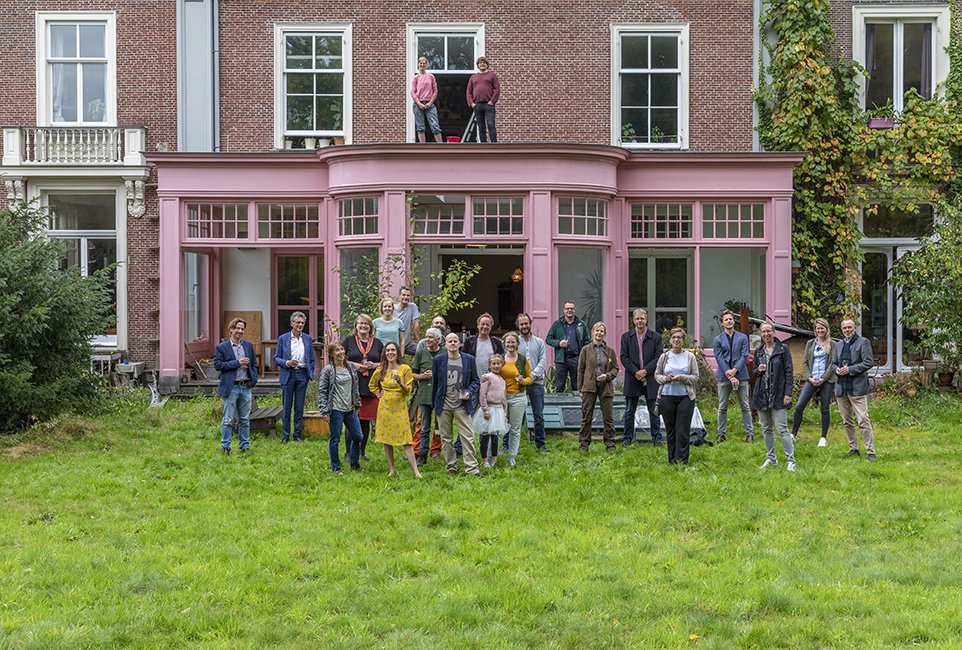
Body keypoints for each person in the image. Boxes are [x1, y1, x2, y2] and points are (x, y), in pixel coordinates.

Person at [432, 332, 482, 476]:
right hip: (444, 405)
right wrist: (435, 404)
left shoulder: (469, 359)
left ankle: (472, 469)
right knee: (446, 438)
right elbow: (435, 384)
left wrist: (469, 392)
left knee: (468, 437)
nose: (453, 343)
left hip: (462, 405)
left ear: (459, 344)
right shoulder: (439, 360)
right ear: (446, 344)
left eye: (455, 341)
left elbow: (476, 381)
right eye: (450, 341)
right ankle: (451, 466)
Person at [369, 342, 422, 478]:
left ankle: (416, 471)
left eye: (393, 350)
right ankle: (391, 469)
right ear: (385, 353)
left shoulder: (405, 369)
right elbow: (372, 385)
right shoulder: (381, 369)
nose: (390, 353)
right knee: (387, 439)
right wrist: (378, 394)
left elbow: (408, 391)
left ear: (398, 352)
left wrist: (400, 383)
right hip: (385, 407)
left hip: (400, 407)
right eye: (388, 350)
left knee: (406, 439)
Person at [752, 322, 797, 471]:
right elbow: (754, 372)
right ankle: (771, 458)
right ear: (761, 334)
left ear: (774, 332)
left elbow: (789, 372)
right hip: (762, 395)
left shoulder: (783, 349)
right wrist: (758, 370)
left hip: (778, 394)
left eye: (768, 331)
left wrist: (788, 393)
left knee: (782, 429)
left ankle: (791, 461)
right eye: (763, 332)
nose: (766, 334)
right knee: (766, 429)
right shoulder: (759, 351)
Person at [831, 318, 877, 461]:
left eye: (849, 327)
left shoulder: (863, 342)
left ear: (854, 328)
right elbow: (833, 363)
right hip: (841, 387)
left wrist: (850, 369)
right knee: (847, 421)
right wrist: (836, 370)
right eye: (844, 328)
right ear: (842, 329)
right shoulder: (838, 345)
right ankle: (853, 448)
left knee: (863, 420)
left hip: (857, 387)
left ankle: (870, 451)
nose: (847, 330)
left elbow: (868, 362)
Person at [214, 317, 259, 455]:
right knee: (228, 420)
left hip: (245, 387)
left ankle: (244, 446)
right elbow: (218, 365)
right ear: (231, 329)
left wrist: (253, 379)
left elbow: (254, 364)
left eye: (242, 329)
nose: (240, 331)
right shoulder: (222, 347)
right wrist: (237, 362)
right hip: (231, 387)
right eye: (237, 328)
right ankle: (225, 446)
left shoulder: (248, 346)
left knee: (244, 419)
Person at [342, 314, 384, 461]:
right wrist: (355, 365)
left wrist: (374, 365)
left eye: (367, 323)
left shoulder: (377, 343)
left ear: (370, 327)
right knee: (351, 419)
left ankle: (361, 452)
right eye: (361, 323)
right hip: (352, 385)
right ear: (356, 325)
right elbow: (340, 359)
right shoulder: (348, 341)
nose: (363, 326)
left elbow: (386, 362)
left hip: (370, 387)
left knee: (365, 420)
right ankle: (348, 453)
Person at [655, 327, 699, 465]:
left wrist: (682, 377)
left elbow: (695, 377)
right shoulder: (664, 357)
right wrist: (666, 379)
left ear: (683, 340)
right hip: (666, 397)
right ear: (670, 340)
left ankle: (682, 461)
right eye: (674, 337)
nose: (676, 340)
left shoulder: (690, 357)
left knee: (683, 431)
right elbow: (657, 375)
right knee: (671, 430)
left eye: (679, 337)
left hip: (685, 397)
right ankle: (672, 460)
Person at [620, 308, 664, 446]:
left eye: (642, 318)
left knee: (654, 410)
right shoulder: (626, 337)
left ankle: (657, 438)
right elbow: (623, 357)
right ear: (633, 320)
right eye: (637, 319)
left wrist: (645, 371)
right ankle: (627, 438)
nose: (640, 321)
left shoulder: (655, 337)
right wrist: (636, 372)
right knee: (629, 410)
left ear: (646, 320)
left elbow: (659, 357)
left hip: (650, 378)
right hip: (633, 378)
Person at [318, 342, 362, 474]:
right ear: (331, 354)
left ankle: (354, 464)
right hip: (335, 409)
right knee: (335, 439)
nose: (341, 352)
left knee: (358, 436)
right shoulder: (328, 370)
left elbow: (356, 386)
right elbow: (322, 391)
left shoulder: (350, 367)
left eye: (342, 349)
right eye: (337, 350)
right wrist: (324, 410)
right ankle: (336, 468)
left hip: (350, 409)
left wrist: (357, 403)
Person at [712, 309, 755, 443]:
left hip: (741, 375)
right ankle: (721, 434)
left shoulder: (742, 338)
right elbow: (719, 358)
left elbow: (744, 355)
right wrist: (729, 374)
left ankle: (750, 434)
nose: (729, 321)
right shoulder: (717, 340)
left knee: (745, 405)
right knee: (722, 406)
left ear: (733, 321)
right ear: (722, 323)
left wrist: (735, 370)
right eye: (726, 320)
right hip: (724, 376)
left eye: (730, 319)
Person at [792, 318, 835, 446]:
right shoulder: (810, 343)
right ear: (815, 330)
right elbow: (805, 362)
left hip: (826, 380)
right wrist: (809, 377)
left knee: (824, 408)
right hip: (812, 379)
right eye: (818, 328)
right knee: (799, 406)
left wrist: (823, 378)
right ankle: (793, 435)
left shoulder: (832, 344)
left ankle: (823, 438)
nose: (820, 330)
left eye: (822, 328)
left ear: (826, 329)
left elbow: (833, 363)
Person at [576, 322, 619, 452]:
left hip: (605, 387)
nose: (599, 333)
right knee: (586, 417)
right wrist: (580, 388)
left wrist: (607, 376)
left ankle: (610, 444)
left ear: (604, 334)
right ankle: (584, 444)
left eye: (602, 331)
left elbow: (615, 368)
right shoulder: (585, 350)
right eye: (597, 331)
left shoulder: (610, 351)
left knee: (608, 418)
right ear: (592, 332)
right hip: (589, 387)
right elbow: (580, 370)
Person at [274, 311, 315, 444]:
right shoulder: (283, 338)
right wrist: (287, 363)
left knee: (299, 406)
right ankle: (286, 435)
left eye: (302, 323)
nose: (300, 325)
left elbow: (311, 358)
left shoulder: (307, 339)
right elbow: (276, 358)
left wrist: (310, 370)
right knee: (287, 406)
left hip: (302, 374)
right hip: (288, 374)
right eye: (298, 322)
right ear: (292, 323)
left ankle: (297, 434)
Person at [411, 327, 444, 465]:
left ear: (438, 339)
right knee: (424, 427)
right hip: (424, 395)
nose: (427, 339)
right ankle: (422, 455)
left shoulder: (444, 352)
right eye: (426, 337)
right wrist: (422, 376)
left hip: (440, 395)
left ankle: (438, 451)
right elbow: (412, 374)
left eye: (430, 337)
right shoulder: (421, 353)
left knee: (440, 426)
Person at [516, 313, 549, 452]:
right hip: (519, 384)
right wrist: (521, 378)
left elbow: (543, 361)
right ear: (518, 326)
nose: (524, 326)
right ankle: (510, 444)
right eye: (521, 324)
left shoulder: (539, 342)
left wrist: (532, 377)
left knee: (539, 415)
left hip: (536, 384)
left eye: (526, 323)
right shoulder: (515, 343)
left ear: (530, 324)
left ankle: (540, 444)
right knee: (514, 415)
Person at [500, 331, 533, 467]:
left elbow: (530, 378)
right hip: (501, 398)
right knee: (498, 427)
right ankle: (493, 455)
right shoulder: (500, 359)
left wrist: (522, 381)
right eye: (508, 342)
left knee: (514, 428)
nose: (510, 344)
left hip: (518, 397)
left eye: (513, 342)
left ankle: (512, 456)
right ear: (504, 344)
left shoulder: (523, 359)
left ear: (517, 344)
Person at [546, 300, 590, 393]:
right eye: (567, 308)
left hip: (576, 359)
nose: (569, 310)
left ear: (574, 310)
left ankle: (578, 402)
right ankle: (559, 402)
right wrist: (559, 343)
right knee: (560, 386)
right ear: (564, 310)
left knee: (577, 385)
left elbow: (587, 341)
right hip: (561, 359)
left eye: (571, 308)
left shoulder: (581, 324)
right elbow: (548, 339)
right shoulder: (557, 324)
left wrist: (583, 355)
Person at [474, 354, 508, 467]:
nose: (496, 366)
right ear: (490, 365)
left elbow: (504, 398)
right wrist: (485, 410)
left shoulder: (502, 380)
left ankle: (494, 460)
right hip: (489, 409)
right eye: (494, 364)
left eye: (498, 363)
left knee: (495, 436)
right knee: (485, 435)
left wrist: (505, 412)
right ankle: (484, 461)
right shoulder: (487, 377)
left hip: (499, 410)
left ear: (502, 365)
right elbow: (482, 394)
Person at [466, 56, 500, 142]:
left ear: (487, 65)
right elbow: (469, 91)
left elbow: (497, 89)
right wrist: (471, 103)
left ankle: (494, 144)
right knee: (481, 127)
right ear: (478, 65)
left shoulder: (492, 75)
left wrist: (492, 101)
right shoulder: (473, 77)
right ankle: (483, 145)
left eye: (484, 63)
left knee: (491, 125)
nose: (482, 64)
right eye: (480, 63)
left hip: (489, 104)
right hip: (477, 105)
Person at [410, 56, 441, 143]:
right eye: (421, 63)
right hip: (418, 104)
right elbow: (412, 92)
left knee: (435, 126)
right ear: (418, 64)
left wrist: (430, 103)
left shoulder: (431, 77)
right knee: (420, 127)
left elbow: (435, 91)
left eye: (424, 63)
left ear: (426, 65)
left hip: (429, 104)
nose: (422, 65)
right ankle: (422, 147)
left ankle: (440, 147)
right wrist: (419, 103)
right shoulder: (415, 78)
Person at [394, 286, 421, 356]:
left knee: (422, 351)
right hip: (394, 344)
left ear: (410, 297)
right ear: (399, 296)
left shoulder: (412, 307)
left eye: (408, 295)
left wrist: (419, 342)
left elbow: (415, 324)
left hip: (406, 344)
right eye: (403, 295)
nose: (405, 297)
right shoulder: (393, 308)